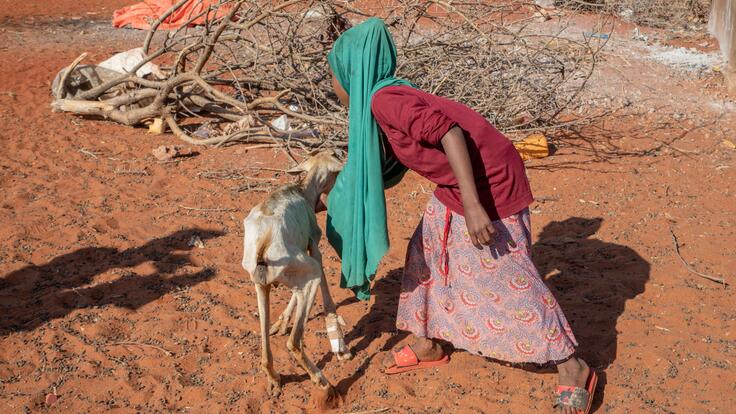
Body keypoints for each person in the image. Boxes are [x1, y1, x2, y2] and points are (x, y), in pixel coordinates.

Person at [323, 17, 597, 414]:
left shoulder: (387, 101)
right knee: (427, 252)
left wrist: (473, 206)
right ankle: (427, 341)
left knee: (505, 273)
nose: (334, 87)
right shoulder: (384, 99)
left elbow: (449, 133)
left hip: (487, 185)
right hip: (460, 184)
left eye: (334, 76)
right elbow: (370, 172)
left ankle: (573, 367)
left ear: (352, 72)